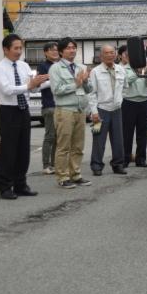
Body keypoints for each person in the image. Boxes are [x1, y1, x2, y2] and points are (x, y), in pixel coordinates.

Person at [0, 34, 48, 200]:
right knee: (8, 151)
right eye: (15, 48)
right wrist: (29, 85)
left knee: (23, 150)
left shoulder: (24, 66)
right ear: (5, 49)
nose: (18, 51)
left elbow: (31, 90)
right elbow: (7, 89)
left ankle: (21, 184)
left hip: (24, 110)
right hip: (9, 111)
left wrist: (40, 83)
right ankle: (5, 187)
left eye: (20, 48)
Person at [49, 37, 93, 189]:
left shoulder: (81, 67)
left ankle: (75, 174)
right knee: (64, 146)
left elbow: (89, 90)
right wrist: (76, 83)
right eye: (68, 48)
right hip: (65, 110)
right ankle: (62, 176)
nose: (72, 50)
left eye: (74, 47)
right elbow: (57, 90)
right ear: (61, 51)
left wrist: (86, 82)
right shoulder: (55, 68)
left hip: (80, 110)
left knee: (78, 146)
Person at [88, 45, 127, 175]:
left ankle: (118, 165)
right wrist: (94, 112)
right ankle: (96, 166)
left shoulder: (121, 70)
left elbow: (125, 87)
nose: (110, 55)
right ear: (101, 56)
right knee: (98, 139)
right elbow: (91, 93)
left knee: (118, 139)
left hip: (117, 109)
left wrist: (119, 100)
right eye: (107, 53)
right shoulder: (95, 72)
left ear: (116, 54)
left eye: (112, 52)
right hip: (100, 110)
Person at [118, 45, 147, 168]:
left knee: (143, 132)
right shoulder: (121, 68)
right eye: (126, 54)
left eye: (130, 54)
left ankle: (141, 159)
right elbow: (126, 82)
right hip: (129, 102)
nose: (128, 56)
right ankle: (126, 158)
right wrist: (137, 72)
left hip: (143, 102)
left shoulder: (141, 66)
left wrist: (146, 73)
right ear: (121, 55)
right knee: (127, 133)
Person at [37, 41, 59, 175]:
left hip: (60, 105)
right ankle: (46, 165)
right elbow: (39, 85)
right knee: (50, 136)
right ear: (45, 52)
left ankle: (54, 164)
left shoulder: (59, 66)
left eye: (56, 50)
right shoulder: (43, 66)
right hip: (49, 106)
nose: (55, 52)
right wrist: (54, 79)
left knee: (58, 137)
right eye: (52, 50)